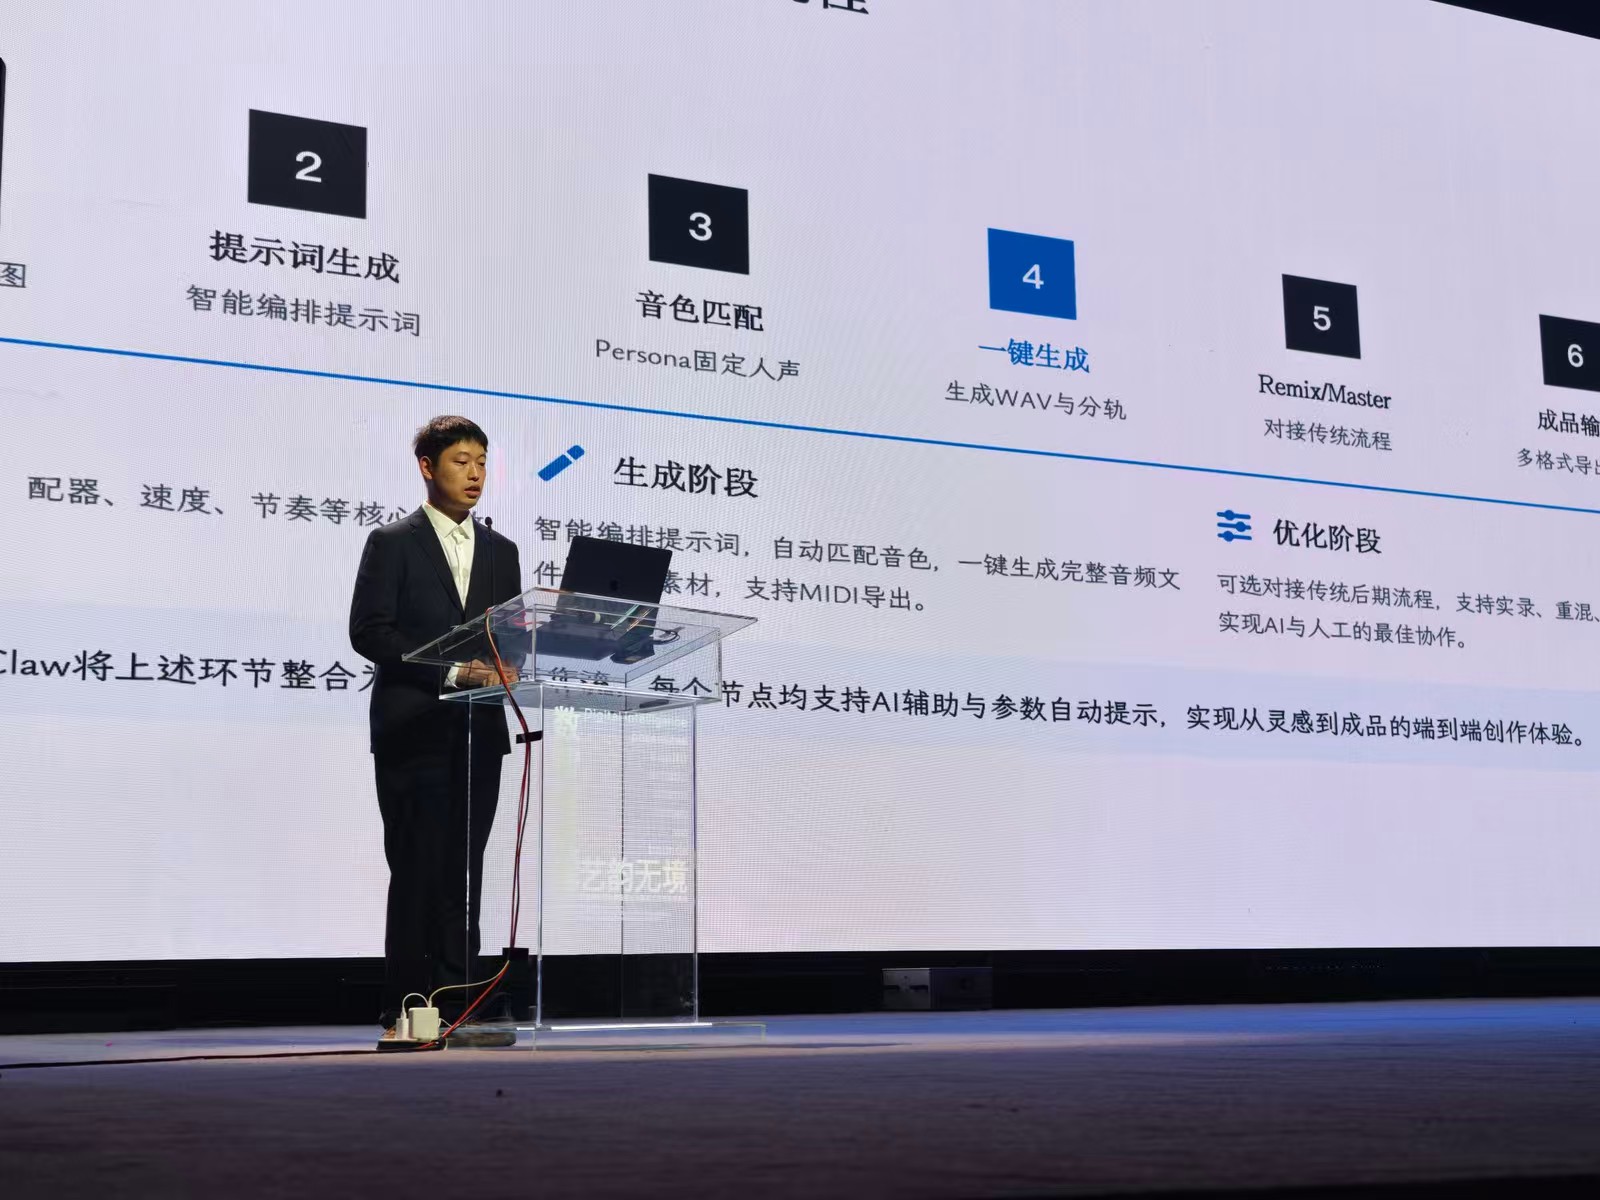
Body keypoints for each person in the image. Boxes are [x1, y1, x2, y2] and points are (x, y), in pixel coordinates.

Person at [349, 415, 523, 1046]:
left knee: (465, 872)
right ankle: (407, 1005)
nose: (475, 474)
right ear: (427, 467)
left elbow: (509, 637)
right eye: (460, 461)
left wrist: (514, 659)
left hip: (479, 731)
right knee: (417, 866)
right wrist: (450, 671)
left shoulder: (503, 551)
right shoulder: (393, 542)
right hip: (414, 727)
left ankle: (459, 1002)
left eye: (481, 462)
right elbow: (370, 631)